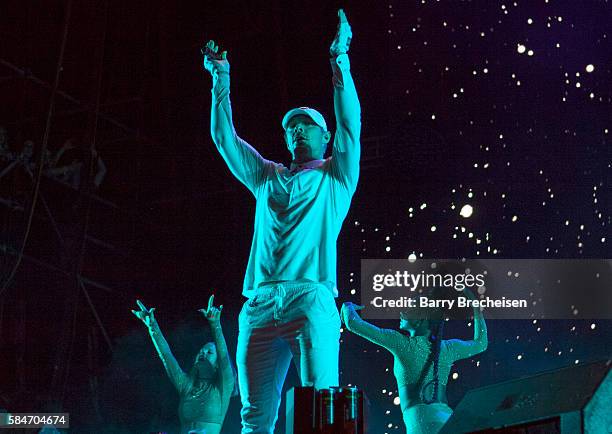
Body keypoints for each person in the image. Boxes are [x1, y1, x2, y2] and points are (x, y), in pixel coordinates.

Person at [202, 8, 361, 433]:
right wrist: (221, 79)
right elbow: (225, 139)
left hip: (309, 297)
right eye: (292, 127)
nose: (297, 131)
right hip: (258, 304)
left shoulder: (335, 177)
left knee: (320, 405)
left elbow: (350, 124)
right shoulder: (267, 176)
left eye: (307, 125)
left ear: (324, 136)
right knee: (254, 417)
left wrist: (339, 58)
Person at [341, 289, 488, 434]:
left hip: (420, 420)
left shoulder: (401, 344)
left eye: (408, 309)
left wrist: (348, 306)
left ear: (420, 321)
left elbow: (354, 323)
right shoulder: (448, 349)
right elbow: (481, 343)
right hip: (447, 418)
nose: (401, 313)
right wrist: (475, 304)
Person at [132, 296, 236, 434]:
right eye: (201, 351)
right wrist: (152, 326)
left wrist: (214, 323)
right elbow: (166, 356)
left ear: (217, 365)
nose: (203, 353)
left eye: (209, 352)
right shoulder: (186, 385)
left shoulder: (223, 388)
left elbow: (223, 356)